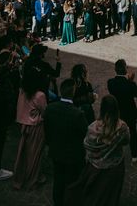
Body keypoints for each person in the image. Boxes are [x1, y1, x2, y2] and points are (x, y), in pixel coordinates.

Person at [65, 95, 129, 206]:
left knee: (95, 195)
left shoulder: (92, 128)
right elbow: (126, 141)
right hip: (114, 167)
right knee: (111, 196)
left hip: (95, 166)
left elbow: (86, 144)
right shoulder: (122, 127)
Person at [44, 78, 88, 206]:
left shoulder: (50, 108)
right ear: (73, 93)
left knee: (58, 180)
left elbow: (47, 130)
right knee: (72, 183)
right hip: (73, 156)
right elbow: (85, 134)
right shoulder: (77, 114)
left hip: (56, 151)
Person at [12, 67, 47, 190]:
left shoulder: (22, 91)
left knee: (23, 153)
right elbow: (44, 111)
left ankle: (21, 177)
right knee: (35, 154)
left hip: (24, 125)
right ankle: (33, 178)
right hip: (35, 127)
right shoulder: (39, 95)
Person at [107, 59, 137, 161]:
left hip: (117, 111)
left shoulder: (111, 83)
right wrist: (131, 81)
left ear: (115, 70)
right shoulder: (129, 84)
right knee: (132, 131)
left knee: (117, 130)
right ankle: (134, 153)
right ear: (125, 69)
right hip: (130, 111)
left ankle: (116, 152)